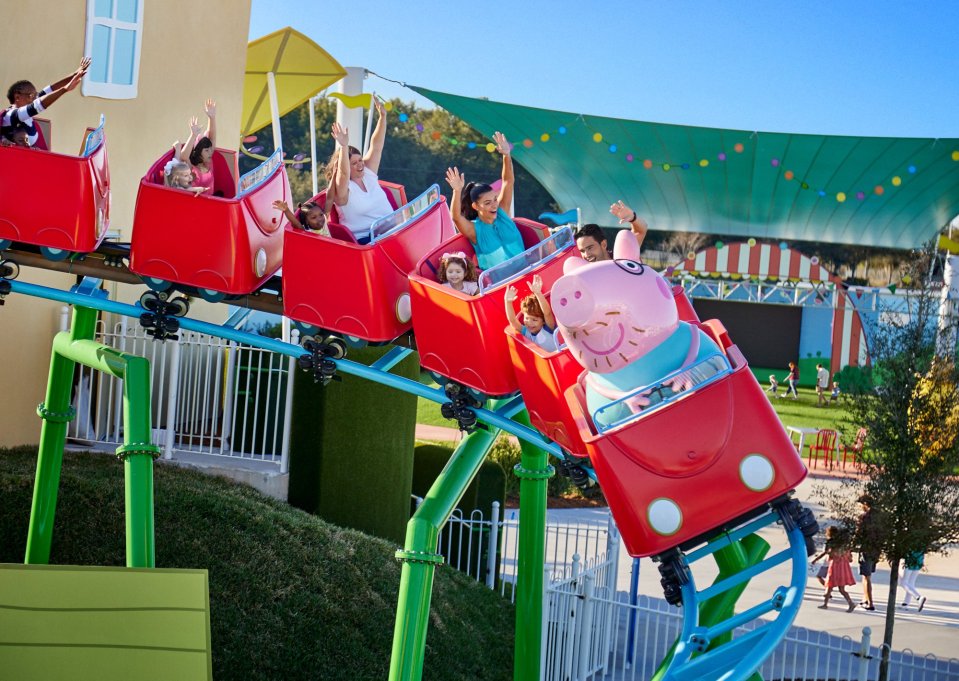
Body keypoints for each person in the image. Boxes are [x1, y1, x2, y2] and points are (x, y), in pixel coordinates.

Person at [446, 131, 525, 270]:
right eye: (488, 203)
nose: (494, 205)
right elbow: (456, 217)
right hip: (500, 286)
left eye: (495, 199)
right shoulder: (474, 230)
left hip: (526, 274)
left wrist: (506, 155)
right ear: (476, 206)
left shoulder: (503, 213)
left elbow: (508, 181)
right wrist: (457, 191)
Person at [329, 98, 393, 241]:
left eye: (360, 160)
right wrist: (344, 146)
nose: (360, 165)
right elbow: (343, 174)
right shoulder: (343, 190)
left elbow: (376, 147)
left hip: (393, 232)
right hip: (367, 241)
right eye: (354, 163)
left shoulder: (368, 174)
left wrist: (383, 118)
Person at [2, 57, 91, 146]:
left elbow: (51, 89)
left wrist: (76, 74)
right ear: (17, 97)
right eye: (31, 96)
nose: (35, 98)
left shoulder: (27, 108)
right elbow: (37, 106)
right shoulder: (11, 115)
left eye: (35, 95)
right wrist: (65, 89)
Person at [574, 201, 649, 262]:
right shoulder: (585, 274)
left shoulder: (622, 258)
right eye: (582, 251)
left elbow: (640, 231)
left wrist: (633, 218)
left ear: (603, 244)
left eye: (590, 248)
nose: (586, 255)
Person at [505, 274, 557, 352]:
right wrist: (508, 302)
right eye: (526, 318)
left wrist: (538, 293)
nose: (529, 323)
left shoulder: (548, 327)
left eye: (534, 320)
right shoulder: (526, 332)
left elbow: (547, 313)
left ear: (543, 321)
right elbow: (512, 320)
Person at [813, 525, 857, 612]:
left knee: (829, 585)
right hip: (843, 568)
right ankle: (850, 603)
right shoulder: (843, 545)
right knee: (841, 589)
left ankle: (826, 604)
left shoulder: (830, 543)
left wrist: (815, 559)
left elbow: (827, 553)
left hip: (835, 566)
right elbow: (850, 559)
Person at [179, 99, 217, 193]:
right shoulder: (192, 168)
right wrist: (193, 135)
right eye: (206, 150)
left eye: (209, 149)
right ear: (199, 152)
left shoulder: (208, 162)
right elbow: (183, 156)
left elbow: (212, 137)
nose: (210, 152)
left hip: (212, 202)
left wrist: (212, 118)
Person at [856, 495, 880, 611]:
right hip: (876, 549)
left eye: (861, 505)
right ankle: (865, 598)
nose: (860, 507)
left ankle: (870, 602)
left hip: (866, 549)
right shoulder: (879, 516)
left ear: (865, 503)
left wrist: (851, 546)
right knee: (866, 575)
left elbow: (858, 534)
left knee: (866, 577)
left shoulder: (865, 517)